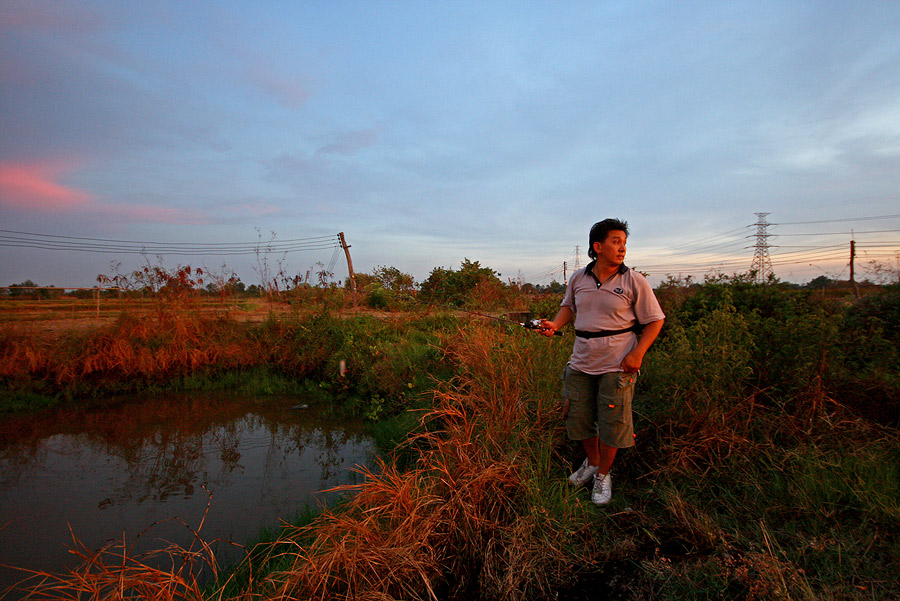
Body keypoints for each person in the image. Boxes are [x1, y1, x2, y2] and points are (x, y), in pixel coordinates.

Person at [538, 218, 665, 505]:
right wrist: (555, 325)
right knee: (579, 418)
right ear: (598, 246)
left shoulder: (634, 280)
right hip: (581, 362)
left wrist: (638, 352)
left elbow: (656, 320)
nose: (622, 248)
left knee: (612, 422)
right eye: (616, 242)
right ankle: (592, 463)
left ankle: (603, 476)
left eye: (624, 243)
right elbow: (568, 308)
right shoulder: (578, 279)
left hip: (617, 364)